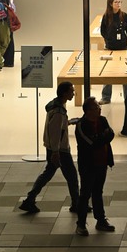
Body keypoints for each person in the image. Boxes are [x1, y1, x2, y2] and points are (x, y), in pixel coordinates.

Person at [19, 81, 79, 214]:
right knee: (72, 177)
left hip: (52, 148)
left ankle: (30, 199)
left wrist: (68, 122)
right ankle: (77, 204)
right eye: (71, 91)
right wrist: (56, 152)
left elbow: (56, 127)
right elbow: (56, 132)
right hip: (59, 150)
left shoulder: (55, 105)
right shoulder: (59, 111)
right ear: (64, 93)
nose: (73, 93)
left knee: (47, 174)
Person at [74, 97, 115, 236]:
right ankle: (81, 224)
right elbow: (92, 143)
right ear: (88, 111)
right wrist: (102, 137)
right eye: (96, 107)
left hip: (102, 162)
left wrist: (101, 137)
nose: (99, 108)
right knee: (85, 193)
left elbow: (111, 134)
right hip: (88, 164)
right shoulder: (82, 124)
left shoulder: (102, 120)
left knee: (98, 192)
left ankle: (100, 219)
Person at [99, 0, 127, 104]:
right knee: (108, 72)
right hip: (110, 48)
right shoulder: (106, 16)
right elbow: (103, 30)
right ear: (110, 4)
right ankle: (106, 97)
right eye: (116, 2)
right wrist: (108, 39)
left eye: (119, 2)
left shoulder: (124, 15)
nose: (118, 4)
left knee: (125, 72)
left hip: (123, 47)